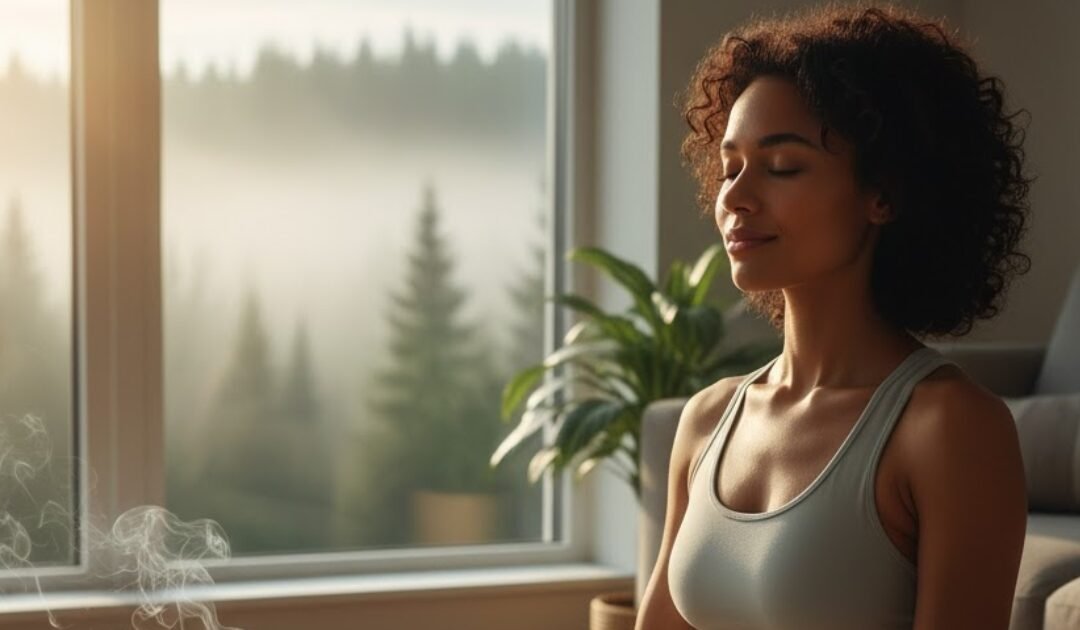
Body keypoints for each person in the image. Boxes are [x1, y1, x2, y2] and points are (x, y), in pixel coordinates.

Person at [635, 2, 1032, 629]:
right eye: (730, 168)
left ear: (884, 193)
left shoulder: (949, 429)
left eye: (782, 167)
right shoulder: (707, 419)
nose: (735, 197)